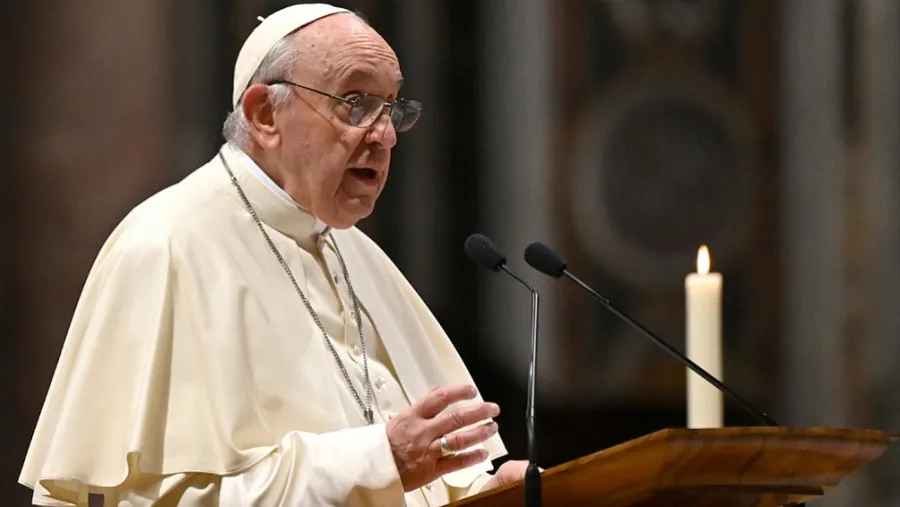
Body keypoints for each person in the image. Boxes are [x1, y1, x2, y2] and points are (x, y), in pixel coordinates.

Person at [18, 4, 528, 506]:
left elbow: (421, 479)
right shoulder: (166, 245)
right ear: (264, 114)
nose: (385, 134)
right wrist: (378, 463)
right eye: (355, 102)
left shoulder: (358, 255)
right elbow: (158, 498)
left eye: (392, 108)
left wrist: (484, 492)